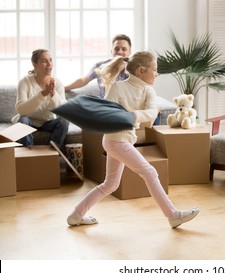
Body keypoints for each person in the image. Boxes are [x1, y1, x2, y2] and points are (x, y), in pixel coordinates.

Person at [67, 51, 200, 228]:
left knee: (110, 184)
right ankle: (173, 215)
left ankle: (76, 215)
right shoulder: (117, 87)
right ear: (140, 70)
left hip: (123, 141)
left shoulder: (149, 91)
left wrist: (132, 115)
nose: (157, 73)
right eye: (154, 69)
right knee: (150, 172)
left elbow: (152, 113)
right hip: (114, 140)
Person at [12, 49, 69, 148]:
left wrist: (52, 93)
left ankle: (53, 152)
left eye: (50, 60)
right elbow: (21, 109)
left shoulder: (57, 82)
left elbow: (64, 110)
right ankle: (28, 154)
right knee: (22, 120)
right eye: (44, 61)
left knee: (64, 121)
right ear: (34, 64)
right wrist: (43, 94)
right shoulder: (25, 82)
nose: (49, 64)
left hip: (48, 122)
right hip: (29, 120)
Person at [64, 34, 132, 98]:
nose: (120, 52)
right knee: (82, 100)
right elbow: (83, 81)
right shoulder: (100, 66)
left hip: (124, 105)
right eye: (116, 49)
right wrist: (63, 88)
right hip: (105, 104)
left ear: (129, 52)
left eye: (124, 49)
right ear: (111, 51)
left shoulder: (134, 69)